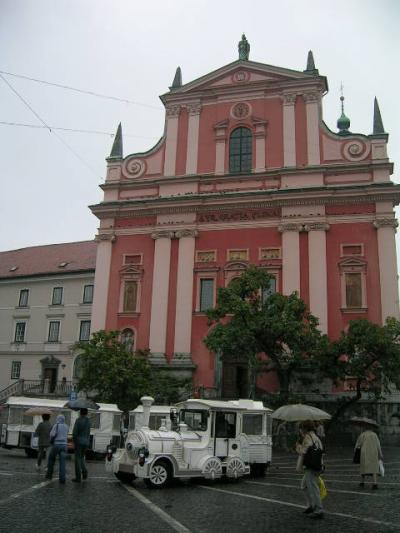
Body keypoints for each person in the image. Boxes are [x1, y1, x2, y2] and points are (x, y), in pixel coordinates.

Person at [296, 420, 324, 519]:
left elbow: (303, 452)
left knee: (313, 488)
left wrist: (298, 446)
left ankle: (318, 510)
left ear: (305, 428)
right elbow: (321, 451)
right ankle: (311, 505)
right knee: (304, 486)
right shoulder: (316, 437)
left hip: (311, 466)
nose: (301, 430)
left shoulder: (308, 437)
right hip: (317, 465)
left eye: (302, 428)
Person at [354, 423, 383, 490]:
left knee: (363, 467)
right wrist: (380, 453)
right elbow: (378, 445)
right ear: (371, 428)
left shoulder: (362, 435)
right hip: (373, 453)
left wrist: (355, 451)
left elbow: (358, 445)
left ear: (365, 428)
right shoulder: (374, 435)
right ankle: (375, 483)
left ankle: (362, 482)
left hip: (364, 453)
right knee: (374, 468)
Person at [45, 414, 69, 484]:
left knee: (51, 459)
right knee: (62, 462)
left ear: (58, 419)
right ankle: (62, 479)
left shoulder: (56, 425)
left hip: (56, 445)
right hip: (64, 445)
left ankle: (49, 475)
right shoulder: (66, 426)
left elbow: (52, 434)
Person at [72, 408, 91, 482]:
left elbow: (75, 432)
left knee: (77, 459)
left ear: (80, 412)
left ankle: (78, 477)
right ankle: (84, 472)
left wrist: (74, 441)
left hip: (79, 442)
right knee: (82, 458)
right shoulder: (88, 421)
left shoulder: (78, 420)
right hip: (86, 442)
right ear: (86, 413)